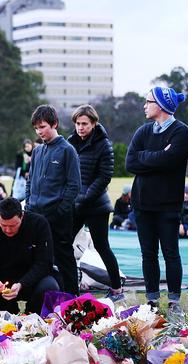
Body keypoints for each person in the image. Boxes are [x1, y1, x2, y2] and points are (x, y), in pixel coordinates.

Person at [125, 87, 188, 312]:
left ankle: (174, 300)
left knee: (171, 253)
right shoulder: (143, 131)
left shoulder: (181, 132)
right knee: (148, 254)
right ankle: (151, 300)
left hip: (168, 205)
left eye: (148, 101)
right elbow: (130, 163)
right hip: (143, 204)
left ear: (162, 105)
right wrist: (155, 157)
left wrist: (145, 157)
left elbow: (171, 160)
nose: (144, 105)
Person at [67, 104, 123, 301]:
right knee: (64, 244)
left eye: (85, 124)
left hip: (97, 205)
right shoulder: (70, 142)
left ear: (93, 124)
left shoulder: (103, 144)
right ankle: (70, 288)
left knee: (102, 246)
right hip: (75, 204)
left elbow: (105, 175)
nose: (81, 127)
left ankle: (117, 289)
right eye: (78, 124)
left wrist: (85, 197)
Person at [25, 105, 81, 295]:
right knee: (39, 259)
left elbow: (74, 185)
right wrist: (29, 205)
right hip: (35, 215)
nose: (39, 131)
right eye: (36, 128)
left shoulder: (68, 150)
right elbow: (29, 182)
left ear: (54, 124)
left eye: (42, 127)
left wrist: (60, 211)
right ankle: (46, 299)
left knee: (64, 258)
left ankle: (73, 299)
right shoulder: (37, 151)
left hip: (58, 217)